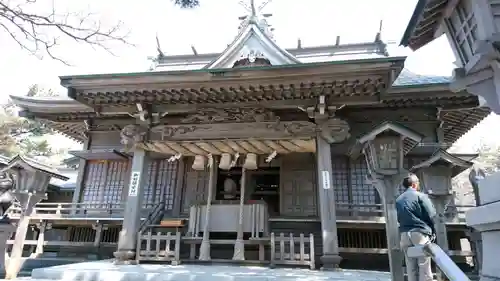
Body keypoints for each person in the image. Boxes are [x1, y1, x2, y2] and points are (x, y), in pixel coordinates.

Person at [396, 174, 436, 281]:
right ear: (414, 184)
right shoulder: (420, 196)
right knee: (424, 266)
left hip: (404, 235)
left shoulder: (398, 199)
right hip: (419, 233)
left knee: (411, 267)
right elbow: (431, 214)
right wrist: (432, 231)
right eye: (418, 182)